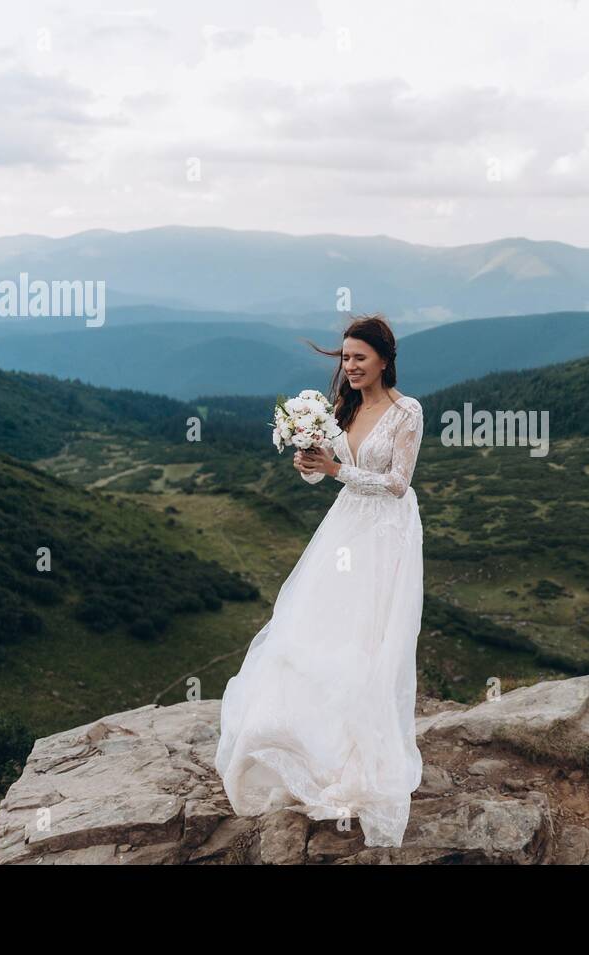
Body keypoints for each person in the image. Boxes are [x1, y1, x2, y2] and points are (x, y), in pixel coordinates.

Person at [214, 314, 424, 848]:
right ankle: (315, 748)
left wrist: (334, 471)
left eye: (358, 358)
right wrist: (308, 460)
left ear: (383, 359)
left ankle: (361, 754)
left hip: (387, 532)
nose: (350, 367)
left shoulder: (406, 412)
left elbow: (399, 484)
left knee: (371, 634)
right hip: (347, 526)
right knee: (321, 626)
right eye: (345, 358)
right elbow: (319, 470)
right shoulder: (344, 408)